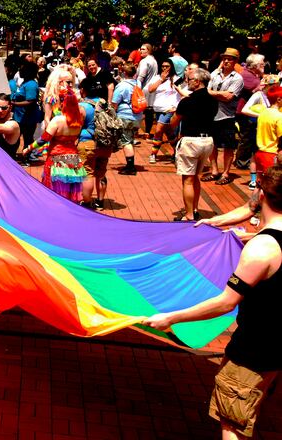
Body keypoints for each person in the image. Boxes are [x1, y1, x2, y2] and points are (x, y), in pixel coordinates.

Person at [144, 164, 282, 440]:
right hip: (276, 348)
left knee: (231, 424)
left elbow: (225, 303)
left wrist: (171, 318)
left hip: (253, 351)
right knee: (252, 406)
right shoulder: (264, 241)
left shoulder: (262, 248)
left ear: (262, 195)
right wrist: (229, 228)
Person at [168, 68, 218, 221]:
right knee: (196, 176)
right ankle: (194, 209)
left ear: (197, 81)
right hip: (208, 141)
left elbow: (173, 122)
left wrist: (174, 112)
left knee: (188, 179)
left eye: (189, 80)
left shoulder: (187, 101)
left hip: (191, 141)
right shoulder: (213, 100)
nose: (187, 82)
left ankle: (189, 214)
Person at [29, 89, 86, 202]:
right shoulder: (78, 120)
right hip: (73, 158)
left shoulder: (57, 120)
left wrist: (29, 148)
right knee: (70, 190)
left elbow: (44, 139)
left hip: (56, 158)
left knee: (55, 191)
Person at [203, 48, 244, 185]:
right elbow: (206, 90)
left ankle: (226, 173)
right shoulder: (215, 74)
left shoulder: (237, 78)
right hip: (212, 115)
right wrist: (216, 93)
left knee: (228, 146)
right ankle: (214, 170)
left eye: (230, 59)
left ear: (235, 62)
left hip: (227, 116)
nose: (226, 61)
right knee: (211, 145)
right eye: (224, 58)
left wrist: (211, 93)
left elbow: (228, 97)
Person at [147, 59, 181, 163]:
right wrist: (161, 79)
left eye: (167, 66)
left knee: (158, 130)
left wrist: (176, 107)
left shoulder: (176, 79)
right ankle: (177, 152)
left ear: (172, 67)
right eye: (163, 66)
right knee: (169, 132)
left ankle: (153, 154)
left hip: (169, 109)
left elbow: (181, 92)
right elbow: (150, 89)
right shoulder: (157, 78)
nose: (165, 68)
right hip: (158, 108)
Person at [112, 63, 143, 175]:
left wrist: (112, 113)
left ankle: (130, 167)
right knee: (130, 139)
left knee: (126, 141)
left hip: (125, 115)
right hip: (137, 116)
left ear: (124, 72)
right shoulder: (138, 83)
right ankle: (130, 163)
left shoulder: (122, 86)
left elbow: (115, 102)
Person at [11, 62, 41, 157]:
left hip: (28, 118)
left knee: (27, 138)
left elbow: (30, 101)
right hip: (20, 117)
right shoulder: (25, 82)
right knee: (15, 138)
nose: (20, 71)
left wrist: (14, 104)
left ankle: (27, 158)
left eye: (22, 69)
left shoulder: (31, 85)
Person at [254, 85, 282, 175]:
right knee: (271, 184)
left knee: (260, 183)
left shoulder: (263, 113)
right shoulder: (279, 116)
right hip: (272, 154)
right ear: (278, 99)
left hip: (260, 153)